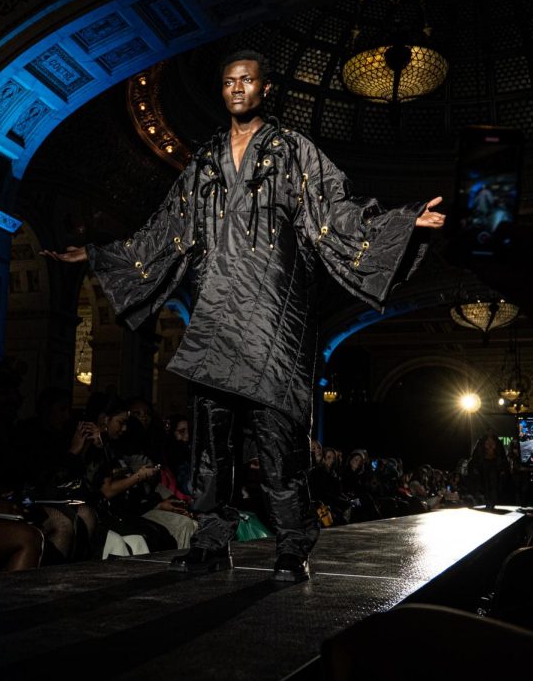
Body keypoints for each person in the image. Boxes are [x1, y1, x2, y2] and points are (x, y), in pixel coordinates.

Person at [43, 50, 444, 581]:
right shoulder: (205, 160)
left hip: (273, 315)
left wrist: (402, 221)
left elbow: (336, 209)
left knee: (278, 438)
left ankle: (292, 547)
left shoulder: (293, 150)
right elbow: (165, 230)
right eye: (229, 80)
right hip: (215, 316)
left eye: (247, 80)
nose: (237, 88)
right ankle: (211, 541)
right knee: (211, 440)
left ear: (264, 87)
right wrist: (96, 253)